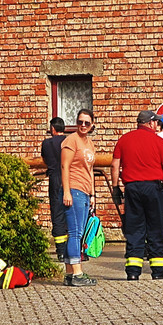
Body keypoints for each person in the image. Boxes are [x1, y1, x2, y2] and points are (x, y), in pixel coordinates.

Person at [109, 110, 163, 281]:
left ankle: (133, 271)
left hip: (132, 189)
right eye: (157, 123)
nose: (158, 126)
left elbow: (114, 166)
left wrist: (115, 188)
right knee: (156, 229)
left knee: (135, 229)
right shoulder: (159, 142)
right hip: (153, 189)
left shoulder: (124, 140)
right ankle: (158, 271)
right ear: (151, 123)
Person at [59, 108, 98, 287]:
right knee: (76, 233)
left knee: (77, 233)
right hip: (73, 189)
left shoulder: (89, 143)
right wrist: (67, 191)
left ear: (92, 125)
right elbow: (64, 166)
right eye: (80, 122)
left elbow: (89, 170)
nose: (83, 125)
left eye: (86, 123)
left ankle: (69, 274)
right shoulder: (71, 141)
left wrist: (92, 194)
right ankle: (78, 273)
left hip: (84, 191)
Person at [39, 116, 69, 260]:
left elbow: (44, 159)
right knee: (72, 213)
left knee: (57, 214)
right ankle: (76, 249)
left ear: (52, 129)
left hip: (55, 179)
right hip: (70, 178)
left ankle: (61, 251)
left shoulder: (46, 143)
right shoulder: (70, 141)